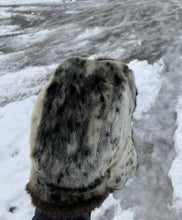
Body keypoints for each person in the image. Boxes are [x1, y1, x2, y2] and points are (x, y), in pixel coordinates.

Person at [26, 57, 138, 220]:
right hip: (81, 193)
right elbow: (122, 161)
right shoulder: (117, 91)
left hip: (46, 182)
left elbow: (37, 125)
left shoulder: (65, 73)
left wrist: (40, 170)